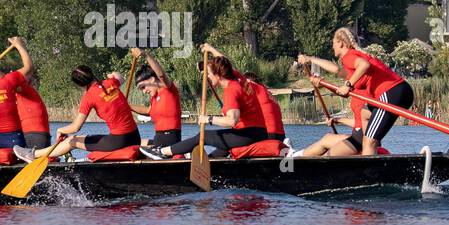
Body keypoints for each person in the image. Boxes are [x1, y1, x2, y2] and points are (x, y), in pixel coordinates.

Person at [297, 26, 414, 157]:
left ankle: (369, 171)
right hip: (400, 91)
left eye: (333, 43)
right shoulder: (352, 67)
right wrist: (312, 62)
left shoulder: (350, 56)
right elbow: (337, 71)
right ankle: (368, 150)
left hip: (393, 90)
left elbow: (364, 65)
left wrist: (348, 84)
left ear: (340, 43)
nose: (332, 47)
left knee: (369, 142)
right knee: (364, 113)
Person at [140, 49, 268, 159]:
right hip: (258, 132)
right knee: (221, 149)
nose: (207, 77)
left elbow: (232, 121)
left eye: (209, 74)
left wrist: (208, 119)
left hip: (250, 134)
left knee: (204, 135)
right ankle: (208, 168)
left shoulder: (231, 89)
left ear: (218, 75)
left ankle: (162, 152)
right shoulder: (238, 78)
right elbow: (226, 62)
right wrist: (210, 49)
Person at [14, 62, 140, 163]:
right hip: (135, 137)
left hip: (120, 141)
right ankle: (38, 154)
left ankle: (33, 154)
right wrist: (112, 74)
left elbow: (75, 127)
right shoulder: (111, 83)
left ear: (79, 85)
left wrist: (60, 130)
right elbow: (119, 77)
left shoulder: (89, 96)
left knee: (71, 141)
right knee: (80, 138)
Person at [0, 55, 51, 151]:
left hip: (34, 136)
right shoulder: (17, 95)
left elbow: (5, 81)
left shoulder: (27, 90)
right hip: (29, 135)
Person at [126, 48, 182, 150]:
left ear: (152, 79)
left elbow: (161, 74)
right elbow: (148, 110)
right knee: (129, 144)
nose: (144, 91)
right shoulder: (154, 98)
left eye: (143, 87)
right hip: (158, 140)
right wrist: (127, 106)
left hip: (171, 143)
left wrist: (145, 55)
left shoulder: (169, 89)